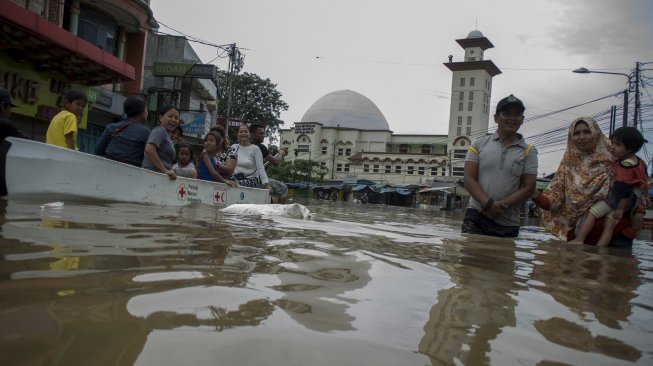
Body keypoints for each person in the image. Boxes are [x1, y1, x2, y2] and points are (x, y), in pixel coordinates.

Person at [534, 117, 641, 246]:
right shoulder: (568, 165)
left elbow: (636, 185)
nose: (582, 137)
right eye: (577, 133)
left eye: (587, 131)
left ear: (595, 132)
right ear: (571, 137)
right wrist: (537, 197)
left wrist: (638, 213)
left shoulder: (616, 154)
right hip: (580, 237)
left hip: (618, 234)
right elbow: (556, 198)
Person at [462, 94, 538, 237]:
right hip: (476, 216)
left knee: (503, 259)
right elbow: (468, 179)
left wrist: (499, 206)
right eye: (506, 113)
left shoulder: (529, 151)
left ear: (522, 120)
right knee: (470, 257)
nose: (511, 118)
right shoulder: (478, 144)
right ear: (496, 118)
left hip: (508, 222)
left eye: (516, 114)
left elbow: (529, 187)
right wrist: (488, 204)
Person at [569, 127, 648, 246]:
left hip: (616, 200)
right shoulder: (640, 162)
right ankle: (600, 250)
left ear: (629, 148)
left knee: (592, 212)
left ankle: (579, 239)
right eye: (612, 143)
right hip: (627, 202)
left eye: (617, 145)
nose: (612, 147)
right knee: (609, 225)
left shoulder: (624, 165)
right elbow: (642, 183)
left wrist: (621, 208)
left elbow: (624, 187)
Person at [94, 97, 150, 166]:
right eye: (146, 110)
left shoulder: (111, 127)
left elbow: (97, 151)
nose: (147, 113)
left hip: (107, 168)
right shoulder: (145, 132)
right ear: (141, 112)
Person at [249, 123, 289, 202]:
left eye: (264, 133)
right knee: (283, 188)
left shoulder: (244, 145)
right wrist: (281, 153)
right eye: (261, 133)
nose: (263, 135)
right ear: (252, 134)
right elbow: (276, 162)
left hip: (249, 177)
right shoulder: (260, 147)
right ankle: (281, 212)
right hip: (255, 178)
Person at [142, 105, 178, 180]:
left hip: (158, 177)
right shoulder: (160, 130)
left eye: (176, 118)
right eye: (170, 116)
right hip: (153, 176)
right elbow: (149, 149)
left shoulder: (166, 135)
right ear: (160, 118)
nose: (173, 120)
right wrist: (165, 171)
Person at [231, 124, 271, 190]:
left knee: (235, 184)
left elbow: (260, 167)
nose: (243, 133)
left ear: (249, 134)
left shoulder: (255, 149)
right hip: (235, 178)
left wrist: (266, 184)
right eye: (241, 132)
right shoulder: (233, 147)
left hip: (251, 180)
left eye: (246, 132)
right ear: (237, 134)